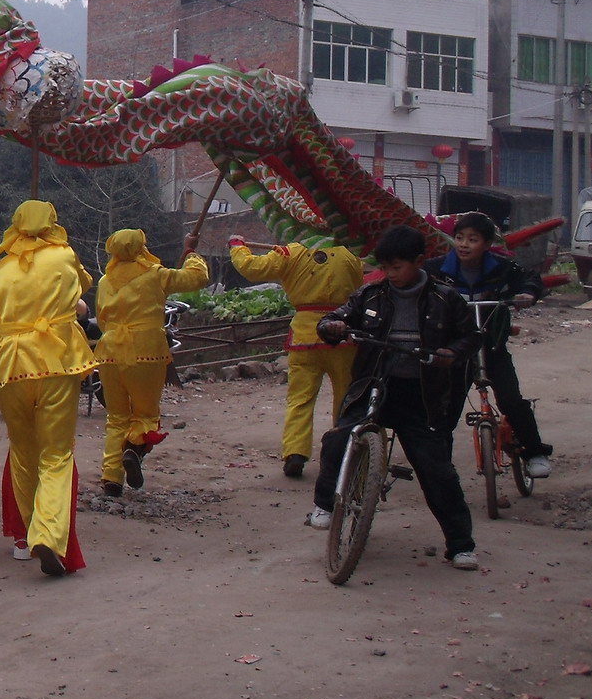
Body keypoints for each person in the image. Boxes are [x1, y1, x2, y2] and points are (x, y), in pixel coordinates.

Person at [313, 225, 481, 568]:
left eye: (397, 267)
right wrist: (332, 327)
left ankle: (461, 544)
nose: (390, 274)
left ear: (418, 262)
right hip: (374, 385)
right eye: (385, 267)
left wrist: (452, 352)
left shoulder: (445, 298)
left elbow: (470, 337)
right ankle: (325, 505)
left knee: (438, 471)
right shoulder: (370, 295)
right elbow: (334, 318)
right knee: (338, 440)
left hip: (420, 395)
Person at [0, 200, 94, 578]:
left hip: (10, 365)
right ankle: (47, 533)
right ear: (51, 223)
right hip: (55, 360)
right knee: (56, 455)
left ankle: (30, 531)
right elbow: (85, 286)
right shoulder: (64, 256)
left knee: (22, 452)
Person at [428, 211, 552, 480]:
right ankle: (439, 468)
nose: (463, 244)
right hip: (455, 349)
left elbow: (530, 279)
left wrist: (528, 294)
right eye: (459, 238)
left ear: (486, 244)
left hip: (491, 347)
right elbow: (415, 286)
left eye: (472, 239)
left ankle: (535, 453)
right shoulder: (437, 270)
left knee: (511, 401)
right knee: (444, 410)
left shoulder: (503, 268)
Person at [229, 234, 364, 478]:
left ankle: (295, 453)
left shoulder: (291, 252)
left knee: (300, 399)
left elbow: (252, 268)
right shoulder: (352, 252)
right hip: (343, 334)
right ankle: (344, 451)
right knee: (346, 398)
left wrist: (238, 246)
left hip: (305, 337)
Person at [95, 229, 207, 497]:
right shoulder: (156, 274)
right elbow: (198, 277)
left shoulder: (104, 281)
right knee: (145, 414)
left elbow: (101, 319)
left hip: (110, 351)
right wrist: (191, 252)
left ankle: (112, 476)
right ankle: (134, 448)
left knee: (117, 417)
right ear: (140, 248)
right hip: (146, 351)